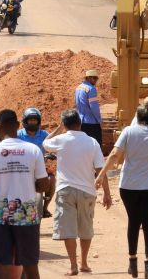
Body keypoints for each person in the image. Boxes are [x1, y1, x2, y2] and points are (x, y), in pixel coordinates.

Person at [95, 102, 148, 279]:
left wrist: (101, 174)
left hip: (129, 185)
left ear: (137, 117)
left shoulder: (128, 131)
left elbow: (115, 155)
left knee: (134, 221)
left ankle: (132, 261)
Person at [0, 110, 49, 279]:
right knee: (30, 261)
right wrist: (28, 182)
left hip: (1, 211)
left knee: (2, 260)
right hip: (26, 209)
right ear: (17, 125)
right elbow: (44, 185)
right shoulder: (33, 150)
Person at [43, 109, 111, 276]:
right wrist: (107, 194)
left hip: (65, 190)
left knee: (68, 229)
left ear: (65, 125)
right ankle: (84, 263)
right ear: (80, 123)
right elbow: (100, 170)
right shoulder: (92, 142)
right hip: (87, 190)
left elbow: (45, 142)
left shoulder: (60, 140)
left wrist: (59, 128)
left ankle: (73, 266)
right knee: (86, 228)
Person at [18, 108, 54, 218]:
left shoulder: (44, 135)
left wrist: (52, 154)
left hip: (40, 168)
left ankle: (45, 208)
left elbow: (52, 146)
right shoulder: (18, 135)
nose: (33, 122)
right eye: (30, 120)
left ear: (38, 121)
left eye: (35, 120)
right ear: (25, 121)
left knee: (52, 179)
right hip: (22, 168)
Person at [75, 70, 102, 145]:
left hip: (81, 122)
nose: (96, 80)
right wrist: (99, 120)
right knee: (95, 145)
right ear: (89, 78)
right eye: (95, 78)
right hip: (91, 123)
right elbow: (94, 106)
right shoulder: (91, 89)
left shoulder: (78, 88)